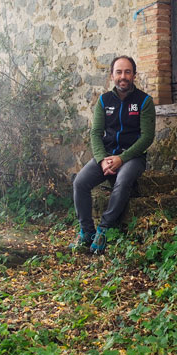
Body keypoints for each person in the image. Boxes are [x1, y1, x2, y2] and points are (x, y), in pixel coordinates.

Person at [71, 55, 155, 254]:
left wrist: (122, 159)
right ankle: (87, 232)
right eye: (119, 72)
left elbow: (147, 138)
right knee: (80, 183)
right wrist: (101, 160)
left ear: (134, 75)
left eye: (127, 72)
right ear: (112, 76)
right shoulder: (104, 100)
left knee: (123, 181)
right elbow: (95, 133)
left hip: (133, 158)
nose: (123, 76)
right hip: (106, 155)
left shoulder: (144, 101)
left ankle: (104, 228)